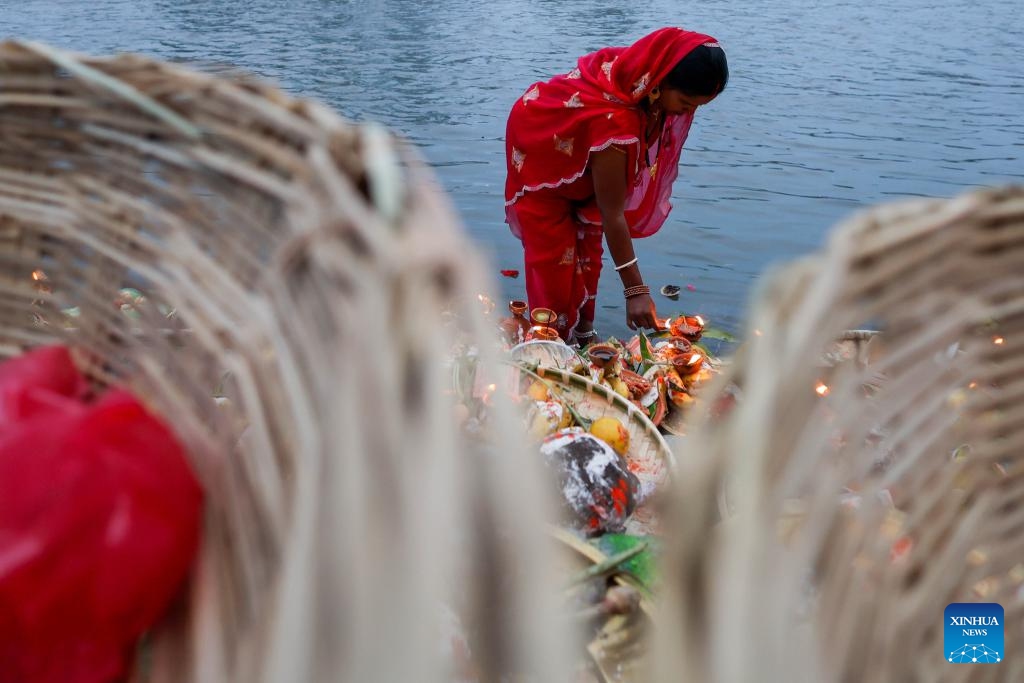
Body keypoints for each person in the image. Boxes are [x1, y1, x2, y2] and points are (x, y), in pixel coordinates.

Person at [504, 27, 728, 344]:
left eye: (698, 107)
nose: (688, 113)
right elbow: (613, 214)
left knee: (588, 265)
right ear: (661, 81)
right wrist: (635, 291)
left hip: (583, 170)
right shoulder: (615, 126)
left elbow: (609, 211)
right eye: (686, 102)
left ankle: (584, 340)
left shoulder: (643, 79)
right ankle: (548, 352)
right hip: (543, 173)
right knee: (554, 283)